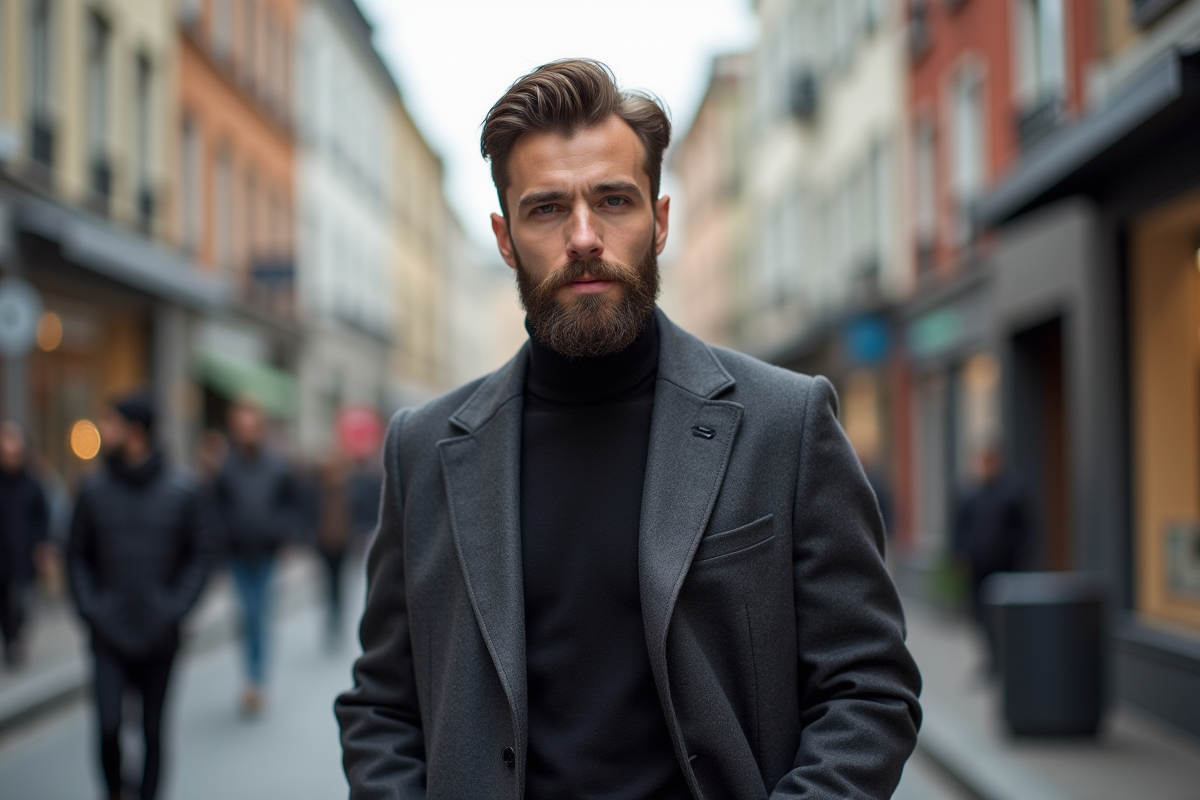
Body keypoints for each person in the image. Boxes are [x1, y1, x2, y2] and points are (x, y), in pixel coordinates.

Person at [337, 60, 921, 799]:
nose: (584, 237)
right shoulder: (423, 449)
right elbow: (383, 707)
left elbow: (869, 688)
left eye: (613, 200)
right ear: (505, 239)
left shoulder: (786, 422)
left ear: (661, 220)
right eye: (547, 209)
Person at [67, 393, 211, 800]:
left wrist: (174, 609)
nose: (102, 431)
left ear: (134, 432)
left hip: (160, 635)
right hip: (107, 634)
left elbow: (201, 556)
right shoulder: (92, 490)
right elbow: (75, 556)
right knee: (108, 727)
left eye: (109, 423)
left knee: (152, 731)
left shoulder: (183, 490)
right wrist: (91, 609)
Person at [214, 397, 298, 715]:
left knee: (260, 614)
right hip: (237, 553)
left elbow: (291, 504)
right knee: (246, 615)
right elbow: (216, 508)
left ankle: (257, 679)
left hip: (265, 552)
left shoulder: (277, 466)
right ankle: (250, 678)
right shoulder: (226, 468)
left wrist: (281, 533)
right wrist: (224, 537)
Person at [952, 444, 1032, 672]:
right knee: (980, 616)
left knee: (1006, 617)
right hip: (978, 568)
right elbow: (959, 528)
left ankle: (1009, 658)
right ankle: (991, 658)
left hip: (1006, 566)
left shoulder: (1012, 491)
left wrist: (1020, 554)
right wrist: (960, 555)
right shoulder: (969, 493)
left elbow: (1025, 529)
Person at [0, 421, 50, 668]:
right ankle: (10, 641)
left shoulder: (32, 482)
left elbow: (43, 516)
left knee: (21, 601)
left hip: (23, 554)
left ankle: (17, 639)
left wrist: (42, 545)